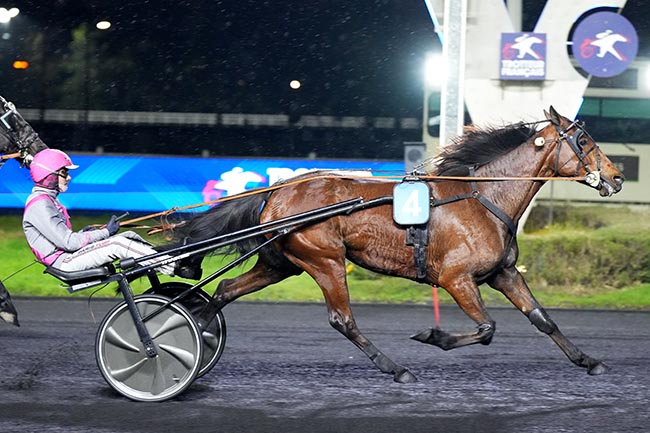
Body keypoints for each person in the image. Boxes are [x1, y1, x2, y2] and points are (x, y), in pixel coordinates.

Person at [22, 149, 173, 276]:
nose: (69, 177)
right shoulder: (40, 205)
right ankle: (172, 266)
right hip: (64, 263)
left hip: (68, 256)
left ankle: (167, 258)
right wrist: (106, 232)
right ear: (49, 175)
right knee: (118, 244)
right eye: (64, 173)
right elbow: (69, 243)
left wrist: (84, 233)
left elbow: (63, 240)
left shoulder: (47, 201)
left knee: (129, 236)